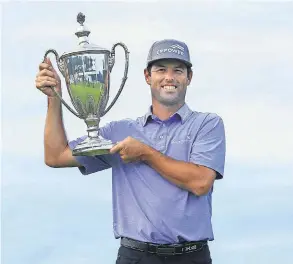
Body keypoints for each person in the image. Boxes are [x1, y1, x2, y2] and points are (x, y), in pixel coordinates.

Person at [35, 39, 226, 264]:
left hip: (192, 257)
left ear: (189, 77)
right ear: (147, 76)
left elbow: (201, 182)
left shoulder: (207, 124)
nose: (169, 77)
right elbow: (56, 156)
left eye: (178, 70)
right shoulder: (121, 131)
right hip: (135, 257)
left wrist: (145, 153)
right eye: (161, 69)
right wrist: (53, 97)